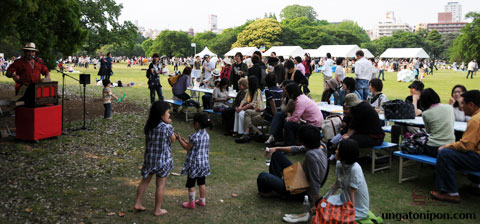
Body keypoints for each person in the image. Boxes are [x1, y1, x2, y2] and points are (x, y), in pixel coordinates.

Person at [257, 124, 329, 207]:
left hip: (301, 190)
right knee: (276, 154)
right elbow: (297, 149)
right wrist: (276, 148)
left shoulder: (311, 155)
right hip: (300, 177)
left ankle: (277, 192)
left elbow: (315, 181)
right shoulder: (321, 145)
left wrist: (314, 204)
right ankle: (277, 187)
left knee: (262, 177)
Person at [430, 90, 480, 203]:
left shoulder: (476, 120)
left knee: (445, 154)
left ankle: (450, 192)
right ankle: (477, 185)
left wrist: (446, 146)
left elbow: (466, 145)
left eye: (463, 103)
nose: (461, 107)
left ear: (471, 105)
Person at [134, 101, 176, 216]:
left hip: (150, 159)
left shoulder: (149, 126)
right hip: (163, 161)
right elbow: (173, 139)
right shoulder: (167, 127)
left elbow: (147, 142)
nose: (169, 115)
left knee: (144, 181)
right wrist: (170, 126)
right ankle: (157, 209)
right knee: (160, 185)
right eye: (168, 113)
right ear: (161, 114)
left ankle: (137, 203)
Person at [175, 113, 212, 209]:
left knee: (191, 183)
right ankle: (202, 200)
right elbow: (195, 146)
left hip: (194, 165)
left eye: (193, 123)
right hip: (203, 164)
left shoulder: (194, 136)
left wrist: (179, 140)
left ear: (197, 124)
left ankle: (191, 203)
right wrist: (186, 140)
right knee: (201, 182)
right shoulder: (207, 135)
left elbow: (187, 148)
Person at [328, 139, 369, 221]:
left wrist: (350, 213)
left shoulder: (355, 169)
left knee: (331, 216)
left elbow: (351, 192)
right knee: (325, 205)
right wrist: (324, 199)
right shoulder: (339, 164)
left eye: (338, 150)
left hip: (357, 209)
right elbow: (337, 184)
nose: (335, 151)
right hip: (343, 199)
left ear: (345, 153)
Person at [420, 88, 455, 157]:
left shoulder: (425, 113)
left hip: (433, 146)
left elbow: (429, 131)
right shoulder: (449, 107)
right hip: (450, 145)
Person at [264, 80, 296, 145]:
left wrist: (282, 99)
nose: (281, 88)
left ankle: (273, 137)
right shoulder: (287, 97)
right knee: (278, 115)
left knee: (279, 116)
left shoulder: (292, 98)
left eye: (283, 86)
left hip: (296, 117)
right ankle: (273, 137)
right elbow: (285, 110)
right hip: (289, 115)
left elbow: (286, 110)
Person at [235, 76, 265, 143]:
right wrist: (240, 107)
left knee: (246, 113)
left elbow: (253, 103)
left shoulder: (258, 91)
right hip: (252, 109)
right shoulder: (249, 90)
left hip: (258, 110)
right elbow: (244, 100)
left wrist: (242, 108)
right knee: (240, 113)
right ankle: (256, 133)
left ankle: (245, 134)